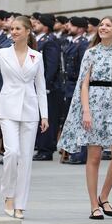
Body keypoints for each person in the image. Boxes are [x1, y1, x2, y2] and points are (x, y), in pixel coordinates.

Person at [0, 16, 49, 219]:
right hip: (7, 109)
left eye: (18, 28)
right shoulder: (2, 53)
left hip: (31, 111)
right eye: (12, 29)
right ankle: (8, 194)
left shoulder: (37, 56)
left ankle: (20, 204)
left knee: (26, 159)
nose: (13, 32)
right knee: (12, 153)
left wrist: (45, 115)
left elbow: (41, 87)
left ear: (27, 31)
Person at [58, 16, 112, 219]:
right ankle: (93, 205)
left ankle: (104, 195)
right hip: (95, 105)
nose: (103, 28)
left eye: (108, 25)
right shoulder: (91, 53)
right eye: (101, 25)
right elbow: (83, 84)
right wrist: (86, 111)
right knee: (94, 156)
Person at [59, 16, 89, 164]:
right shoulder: (71, 42)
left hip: (77, 85)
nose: (68, 27)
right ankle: (74, 152)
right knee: (72, 120)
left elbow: (84, 69)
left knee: (79, 120)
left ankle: (80, 154)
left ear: (81, 28)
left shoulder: (83, 44)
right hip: (69, 85)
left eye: (71, 25)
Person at [33, 14, 61, 161]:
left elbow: (51, 65)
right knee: (39, 117)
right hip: (38, 85)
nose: (34, 24)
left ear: (45, 26)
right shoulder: (38, 40)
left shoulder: (50, 41)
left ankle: (46, 149)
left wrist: (45, 84)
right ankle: (41, 147)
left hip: (48, 87)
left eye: (37, 23)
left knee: (47, 116)